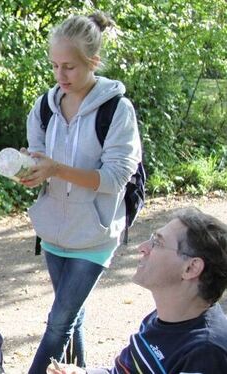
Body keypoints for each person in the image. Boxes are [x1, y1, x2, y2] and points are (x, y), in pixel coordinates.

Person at [22, 12, 142, 373]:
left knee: (59, 320)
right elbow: (38, 155)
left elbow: (116, 176)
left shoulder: (116, 110)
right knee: (72, 317)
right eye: (55, 66)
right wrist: (32, 171)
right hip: (55, 232)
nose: (60, 77)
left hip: (94, 235)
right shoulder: (45, 105)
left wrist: (57, 169)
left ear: (94, 62)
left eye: (70, 67)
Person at [48, 208, 227, 373]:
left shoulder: (205, 353)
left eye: (158, 242)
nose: (142, 247)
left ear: (191, 268)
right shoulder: (162, 317)